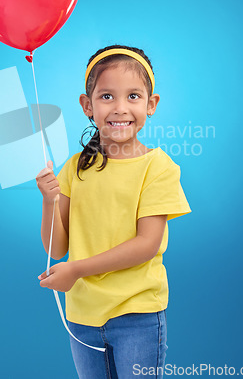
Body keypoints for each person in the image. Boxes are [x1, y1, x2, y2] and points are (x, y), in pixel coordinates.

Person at [36, 45, 191, 379]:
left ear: (152, 104)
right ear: (87, 105)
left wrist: (76, 269)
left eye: (133, 96)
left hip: (138, 316)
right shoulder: (75, 168)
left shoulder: (159, 168)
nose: (120, 108)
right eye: (107, 96)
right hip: (83, 316)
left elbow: (146, 245)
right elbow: (56, 248)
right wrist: (49, 200)